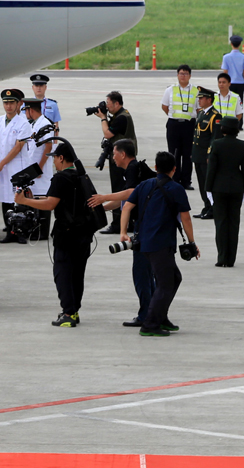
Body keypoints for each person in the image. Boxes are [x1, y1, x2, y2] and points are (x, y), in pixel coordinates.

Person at [15, 143, 94, 327]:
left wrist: (25, 201)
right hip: (84, 234)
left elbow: (51, 204)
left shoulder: (61, 178)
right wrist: (33, 199)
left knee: (63, 274)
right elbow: (58, 200)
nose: (53, 162)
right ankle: (74, 311)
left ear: (60, 158)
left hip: (67, 235)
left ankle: (67, 313)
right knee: (77, 274)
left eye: (54, 158)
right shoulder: (82, 176)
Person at [122, 151, 199, 337]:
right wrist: (192, 242)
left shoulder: (144, 185)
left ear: (155, 168)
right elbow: (186, 218)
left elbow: (127, 207)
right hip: (160, 244)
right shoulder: (176, 188)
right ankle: (150, 324)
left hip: (144, 242)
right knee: (165, 283)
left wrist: (123, 232)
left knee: (175, 277)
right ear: (174, 169)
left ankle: (161, 316)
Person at [88, 139, 155, 327]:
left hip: (145, 228)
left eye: (114, 154)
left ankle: (146, 315)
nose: (112, 158)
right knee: (148, 274)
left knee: (142, 273)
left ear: (123, 154)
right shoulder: (133, 169)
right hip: (150, 226)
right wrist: (100, 208)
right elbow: (124, 199)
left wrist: (103, 197)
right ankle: (154, 311)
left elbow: (131, 192)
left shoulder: (133, 169)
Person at [0, 88, 33, 244]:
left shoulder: (23, 123)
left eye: (11, 103)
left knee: (19, 199)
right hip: (2, 167)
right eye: (6, 103)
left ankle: (21, 232)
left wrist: (1, 164)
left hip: (17, 167)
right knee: (6, 199)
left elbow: (17, 147)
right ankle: (9, 231)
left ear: (18, 104)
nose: (8, 106)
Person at [204, 117, 244, 268]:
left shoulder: (217, 144)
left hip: (219, 188)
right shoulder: (242, 145)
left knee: (221, 223)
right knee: (234, 223)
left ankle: (222, 257)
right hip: (237, 187)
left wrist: (208, 188)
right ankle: (231, 259)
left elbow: (212, 169)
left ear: (223, 129)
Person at [95, 91, 137, 234]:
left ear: (116, 103)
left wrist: (102, 118)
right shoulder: (121, 115)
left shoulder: (121, 118)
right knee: (122, 190)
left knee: (119, 191)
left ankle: (118, 224)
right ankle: (127, 222)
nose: (106, 106)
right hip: (124, 158)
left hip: (122, 159)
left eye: (108, 103)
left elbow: (107, 134)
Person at [22, 97, 54, 241]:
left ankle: (43, 233)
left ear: (30, 110)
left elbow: (48, 146)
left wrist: (39, 168)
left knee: (43, 198)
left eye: (26, 110)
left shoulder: (45, 124)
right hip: (34, 169)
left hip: (41, 170)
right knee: (36, 198)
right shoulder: (35, 124)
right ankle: (37, 231)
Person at [161, 65, 198, 190]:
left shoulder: (195, 90)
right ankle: (175, 179)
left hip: (189, 125)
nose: (183, 76)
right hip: (174, 124)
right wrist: (173, 116)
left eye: (186, 74)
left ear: (190, 76)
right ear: (177, 75)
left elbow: (198, 109)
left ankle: (186, 181)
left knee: (188, 154)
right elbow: (164, 106)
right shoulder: (170, 89)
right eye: (181, 73)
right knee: (174, 153)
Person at [191, 87, 222, 221]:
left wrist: (210, 155)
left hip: (206, 155)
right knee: (202, 182)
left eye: (201, 98)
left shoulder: (215, 116)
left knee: (208, 183)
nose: (199, 100)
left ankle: (212, 208)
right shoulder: (201, 113)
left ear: (209, 99)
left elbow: (214, 138)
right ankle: (206, 206)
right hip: (198, 154)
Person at [221, 35, 244, 128]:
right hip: (240, 83)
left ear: (231, 44)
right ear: (240, 44)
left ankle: (229, 122)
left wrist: (224, 83)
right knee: (240, 104)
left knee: (229, 103)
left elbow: (225, 72)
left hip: (230, 83)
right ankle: (239, 124)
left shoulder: (226, 57)